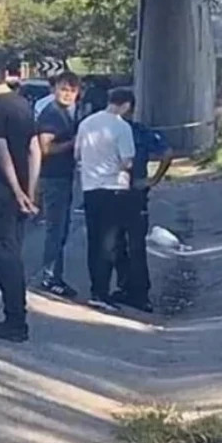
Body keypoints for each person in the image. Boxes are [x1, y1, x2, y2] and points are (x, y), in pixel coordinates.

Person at [0, 52, 41, 342]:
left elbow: (1, 150)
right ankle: (17, 316)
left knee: (4, 254)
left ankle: (14, 320)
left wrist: (16, 190)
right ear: (6, 75)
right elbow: (34, 149)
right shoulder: (23, 104)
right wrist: (30, 190)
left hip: (3, 192)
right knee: (15, 249)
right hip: (24, 188)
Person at [75, 88, 136, 312]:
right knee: (110, 243)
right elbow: (127, 161)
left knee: (94, 241)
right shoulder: (122, 127)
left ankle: (95, 288)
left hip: (90, 188)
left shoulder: (86, 123)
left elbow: (77, 154)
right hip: (114, 188)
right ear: (126, 105)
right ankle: (103, 292)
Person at [113, 107, 174, 313]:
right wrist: (152, 180)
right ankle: (132, 290)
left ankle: (135, 291)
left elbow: (167, 153)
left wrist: (152, 180)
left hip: (121, 192)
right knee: (131, 244)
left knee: (125, 244)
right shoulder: (140, 132)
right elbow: (167, 152)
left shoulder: (126, 131)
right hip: (133, 192)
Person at [36, 71, 81, 298]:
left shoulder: (66, 113)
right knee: (56, 229)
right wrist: (73, 143)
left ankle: (55, 275)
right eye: (64, 89)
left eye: (72, 91)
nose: (67, 94)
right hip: (53, 178)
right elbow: (45, 148)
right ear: (55, 89)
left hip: (63, 176)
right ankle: (50, 277)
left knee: (61, 229)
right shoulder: (51, 114)